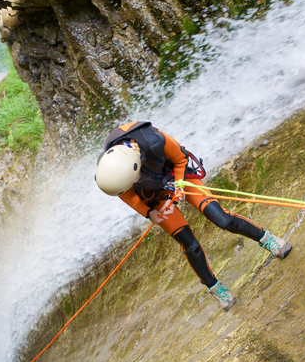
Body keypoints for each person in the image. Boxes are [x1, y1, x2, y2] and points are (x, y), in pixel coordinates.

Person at [95, 121, 292, 310]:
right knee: (190, 244)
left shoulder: (154, 140)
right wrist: (149, 213)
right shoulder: (110, 170)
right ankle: (215, 289)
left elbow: (180, 159)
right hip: (154, 197)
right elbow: (126, 195)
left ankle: (267, 239)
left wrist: (179, 189)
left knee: (222, 219)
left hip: (178, 176)